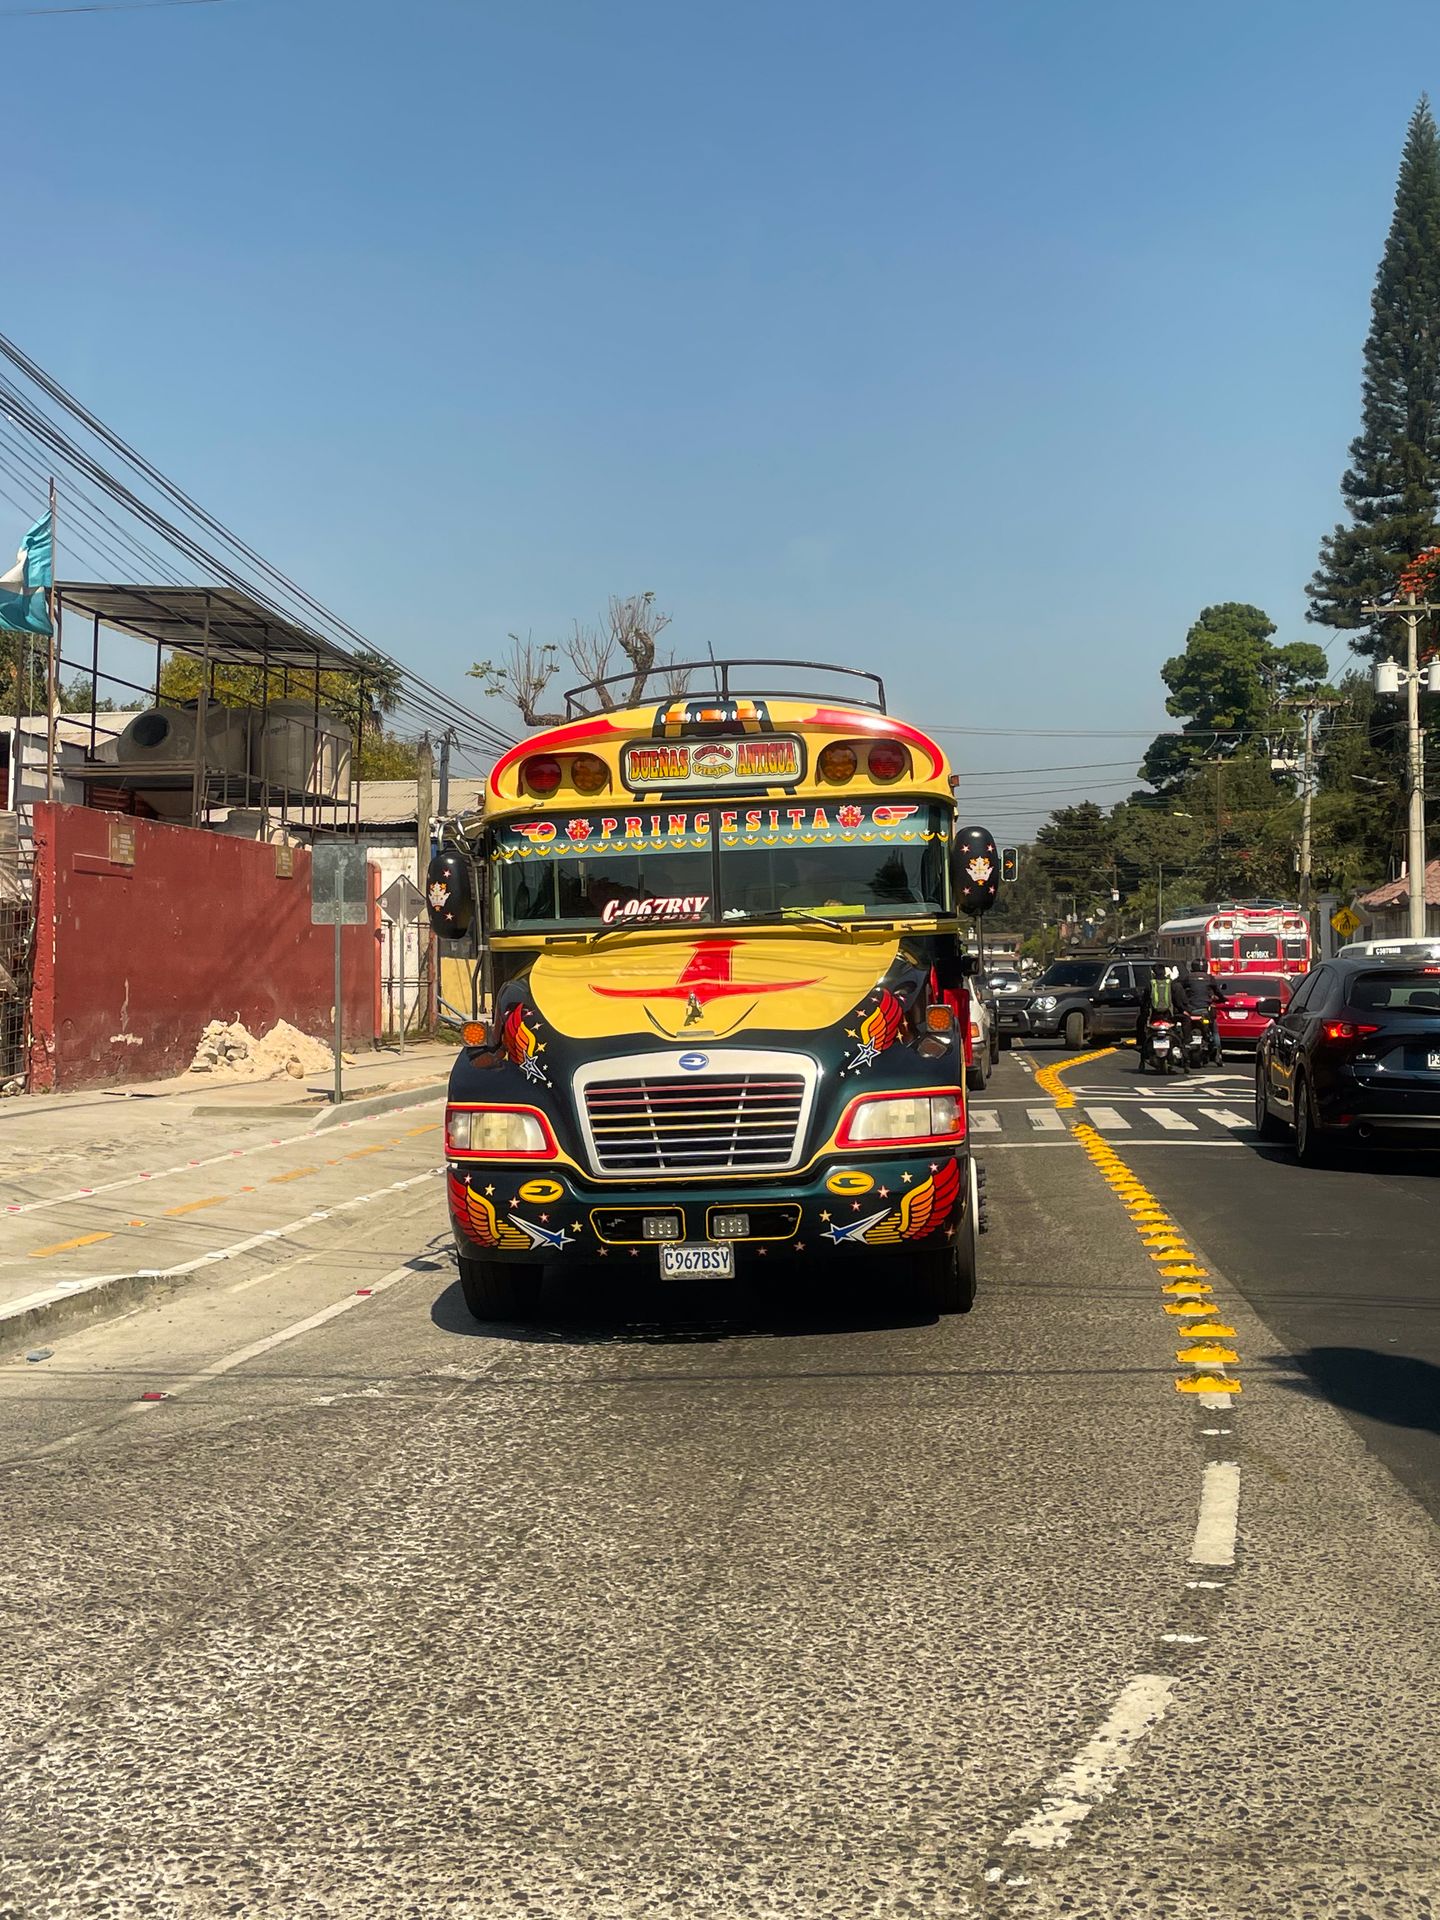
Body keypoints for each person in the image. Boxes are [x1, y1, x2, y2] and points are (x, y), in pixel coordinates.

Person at [1178, 958, 1227, 1061]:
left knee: (1182, 1028)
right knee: (1214, 1030)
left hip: (1190, 1009)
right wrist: (1223, 999)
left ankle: (1183, 1048)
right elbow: (1217, 992)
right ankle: (1218, 1053)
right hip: (1204, 1010)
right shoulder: (1209, 978)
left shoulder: (1187, 977)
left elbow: (1179, 989)